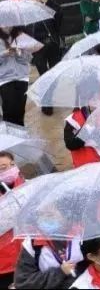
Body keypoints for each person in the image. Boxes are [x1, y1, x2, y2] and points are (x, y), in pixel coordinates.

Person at [0, 152, 23, 288]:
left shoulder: (23, 185)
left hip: (28, 257)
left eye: (12, 165)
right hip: (5, 264)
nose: (9, 169)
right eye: (3, 167)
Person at [0, 28, 31, 126]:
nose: (7, 26)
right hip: (5, 79)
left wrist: (20, 52)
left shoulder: (20, 36)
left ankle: (21, 136)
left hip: (22, 78)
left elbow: (28, 58)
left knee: (20, 111)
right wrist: (4, 54)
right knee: (9, 112)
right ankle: (10, 137)